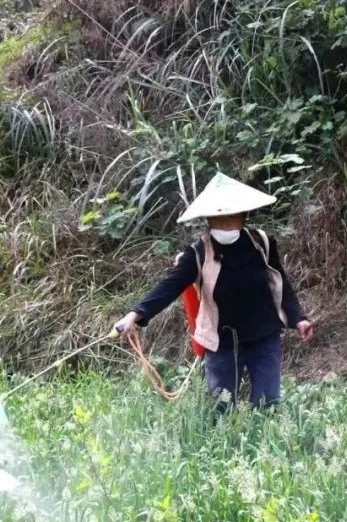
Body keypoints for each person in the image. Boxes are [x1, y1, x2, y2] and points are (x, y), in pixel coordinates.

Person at [114, 173, 314, 412]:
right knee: (220, 409)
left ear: (242, 216)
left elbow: (280, 282)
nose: (225, 223)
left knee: (268, 404)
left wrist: (298, 317)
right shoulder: (198, 254)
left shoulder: (261, 243)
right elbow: (170, 286)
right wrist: (135, 315)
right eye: (218, 217)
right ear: (208, 220)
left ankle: (263, 447)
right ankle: (223, 448)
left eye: (230, 216)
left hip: (264, 337)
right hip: (222, 344)